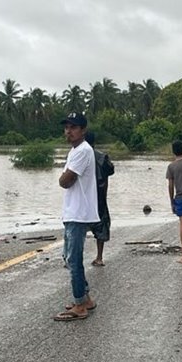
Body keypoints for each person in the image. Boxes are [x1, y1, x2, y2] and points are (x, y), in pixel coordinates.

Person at [53, 112, 99, 322]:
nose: (68, 131)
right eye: (66, 127)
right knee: (69, 257)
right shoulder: (76, 150)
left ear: (83, 130)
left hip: (78, 213)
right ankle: (85, 298)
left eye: (73, 127)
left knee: (74, 259)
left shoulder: (82, 151)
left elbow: (65, 181)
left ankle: (80, 305)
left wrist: (62, 177)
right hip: (74, 211)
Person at [85, 130, 115, 266]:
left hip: (84, 196)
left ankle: (73, 256)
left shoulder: (80, 156)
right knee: (101, 226)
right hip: (100, 196)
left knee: (79, 227)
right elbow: (111, 171)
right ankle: (99, 257)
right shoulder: (103, 157)